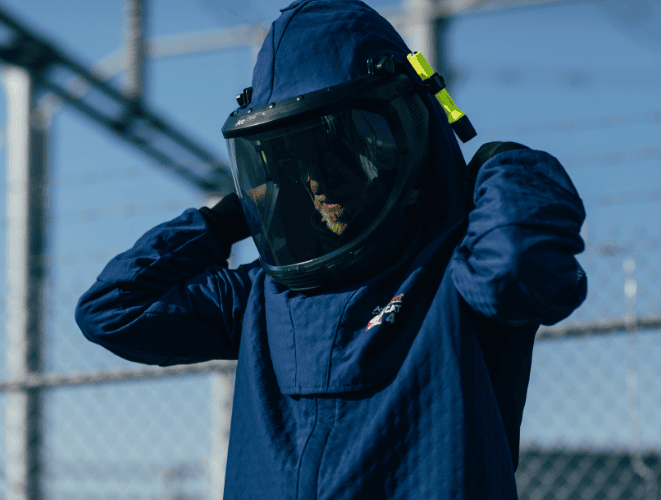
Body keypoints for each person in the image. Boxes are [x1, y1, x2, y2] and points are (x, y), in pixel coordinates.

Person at [75, 0, 588, 498]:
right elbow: (113, 310)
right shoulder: (262, 296)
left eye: (342, 152)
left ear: (407, 136)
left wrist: (507, 164)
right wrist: (221, 219)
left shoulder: (452, 271)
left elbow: (517, 273)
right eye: (296, 163)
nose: (319, 182)